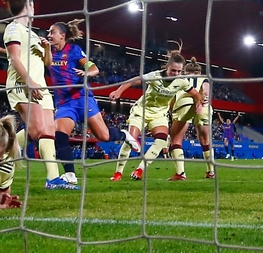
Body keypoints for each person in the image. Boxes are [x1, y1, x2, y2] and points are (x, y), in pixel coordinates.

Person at [0, 0, 74, 190]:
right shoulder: (13, 28)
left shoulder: (31, 33)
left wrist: (47, 48)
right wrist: (29, 82)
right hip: (22, 85)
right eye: (33, 5)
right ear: (29, 5)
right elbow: (14, 59)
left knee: (48, 130)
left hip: (41, 86)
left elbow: (48, 63)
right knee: (37, 129)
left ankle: (53, 178)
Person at [46, 20, 139, 185]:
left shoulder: (74, 51)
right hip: (64, 102)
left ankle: (123, 134)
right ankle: (70, 175)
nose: (49, 35)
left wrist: (85, 73)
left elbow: (94, 69)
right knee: (60, 135)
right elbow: (39, 60)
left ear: (62, 35)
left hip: (82, 98)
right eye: (48, 32)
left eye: (52, 32)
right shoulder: (48, 52)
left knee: (103, 136)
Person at [108, 44, 203, 181]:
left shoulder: (182, 82)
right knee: (131, 140)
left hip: (159, 115)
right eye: (173, 71)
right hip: (142, 110)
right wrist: (119, 91)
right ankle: (118, 173)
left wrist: (199, 102)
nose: (176, 74)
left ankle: (140, 170)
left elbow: (195, 93)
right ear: (167, 67)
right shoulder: (154, 76)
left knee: (161, 141)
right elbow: (134, 80)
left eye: (179, 71)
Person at [168, 58, 213, 180]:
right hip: (203, 105)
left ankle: (181, 174)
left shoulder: (179, 79)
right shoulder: (203, 78)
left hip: (183, 103)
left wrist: (171, 113)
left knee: (176, 140)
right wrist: (203, 100)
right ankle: (211, 171)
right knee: (205, 140)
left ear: (184, 71)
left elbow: (172, 98)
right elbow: (206, 91)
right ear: (199, 72)